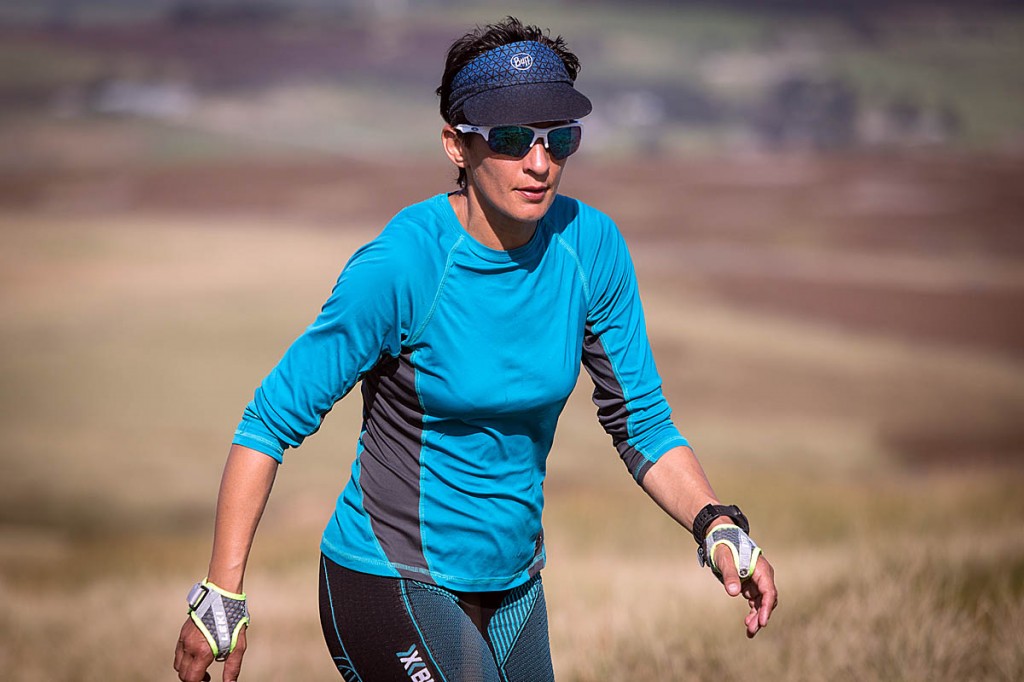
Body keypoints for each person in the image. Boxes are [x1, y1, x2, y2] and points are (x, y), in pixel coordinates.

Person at [173, 16, 777, 682]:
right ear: (456, 145)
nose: (540, 162)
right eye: (513, 138)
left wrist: (716, 524)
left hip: (514, 585)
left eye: (559, 138)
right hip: (385, 578)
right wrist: (220, 597)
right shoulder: (402, 266)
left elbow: (643, 425)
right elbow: (266, 423)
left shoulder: (591, 249)